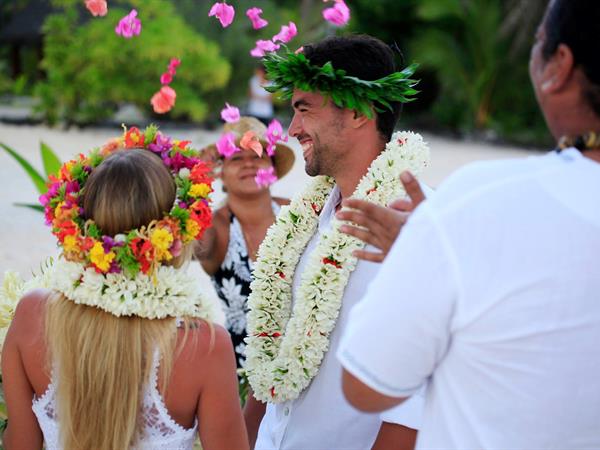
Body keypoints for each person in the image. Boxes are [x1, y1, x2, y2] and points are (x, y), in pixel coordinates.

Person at [337, 1, 600, 448]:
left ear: (559, 66)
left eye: (537, 43)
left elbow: (366, 385)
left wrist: (423, 254)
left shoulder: (479, 202)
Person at [1, 127, 249, 450]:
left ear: (83, 224)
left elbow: (20, 444)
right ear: (172, 232)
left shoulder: (32, 313)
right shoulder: (204, 346)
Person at [243, 35, 430, 450]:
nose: (292, 130)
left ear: (360, 113)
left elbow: (414, 401)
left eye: (304, 109)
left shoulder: (417, 224)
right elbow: (272, 358)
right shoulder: (304, 219)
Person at [195, 116, 294, 370]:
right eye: (237, 158)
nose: (249, 163)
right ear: (221, 175)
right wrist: (196, 181)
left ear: (271, 169)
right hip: (241, 369)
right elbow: (194, 246)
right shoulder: (216, 226)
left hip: (306, 360)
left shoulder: (298, 212)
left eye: (257, 155)